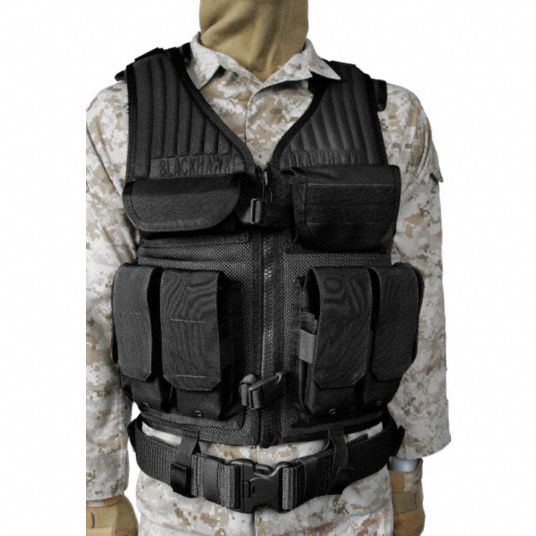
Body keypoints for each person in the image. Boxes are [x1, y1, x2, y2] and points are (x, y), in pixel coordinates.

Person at [86, 1, 450, 534]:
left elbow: (419, 305)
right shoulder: (122, 115)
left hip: (347, 508)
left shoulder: (391, 117)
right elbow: (94, 316)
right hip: (182, 508)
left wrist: (409, 471)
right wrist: (99, 489)